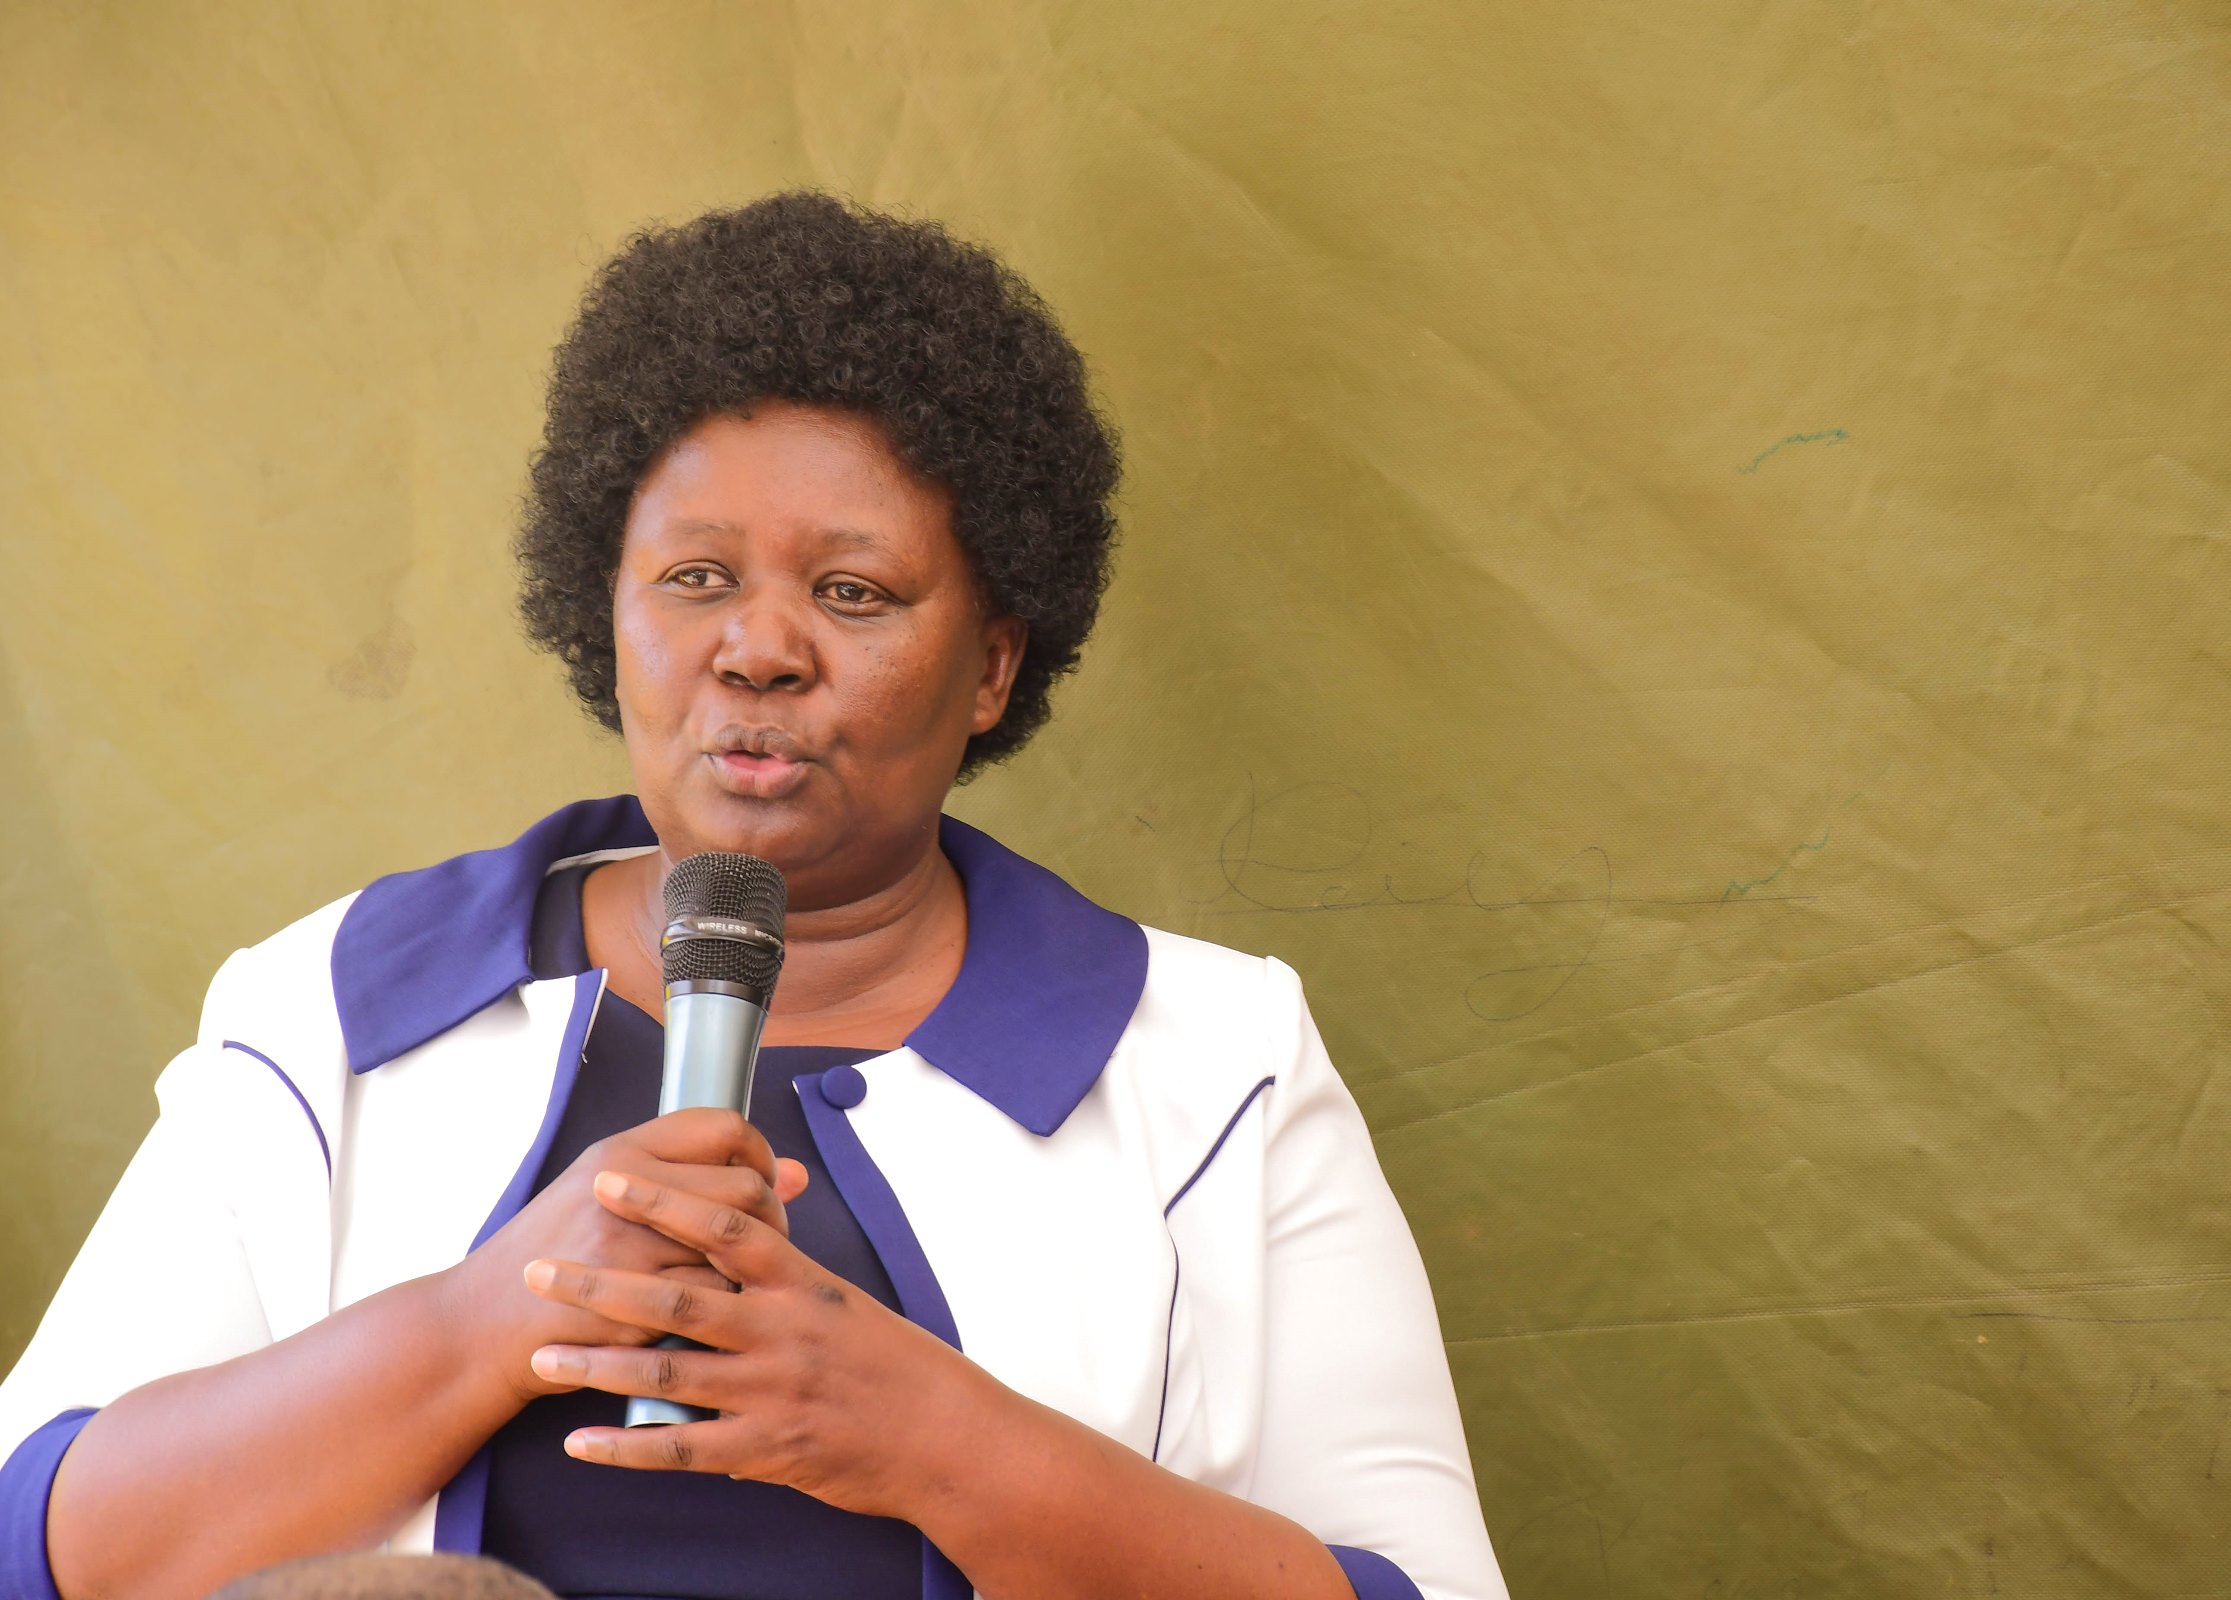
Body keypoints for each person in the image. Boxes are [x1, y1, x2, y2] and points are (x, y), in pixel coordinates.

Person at [0, 192, 1505, 1600]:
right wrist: (485, 1323)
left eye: (852, 593)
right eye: (695, 578)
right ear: (609, 607)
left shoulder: (1212, 1064)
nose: (758, 649)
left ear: (991, 664)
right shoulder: (346, 1002)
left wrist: (938, 1440)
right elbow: (40, 1542)